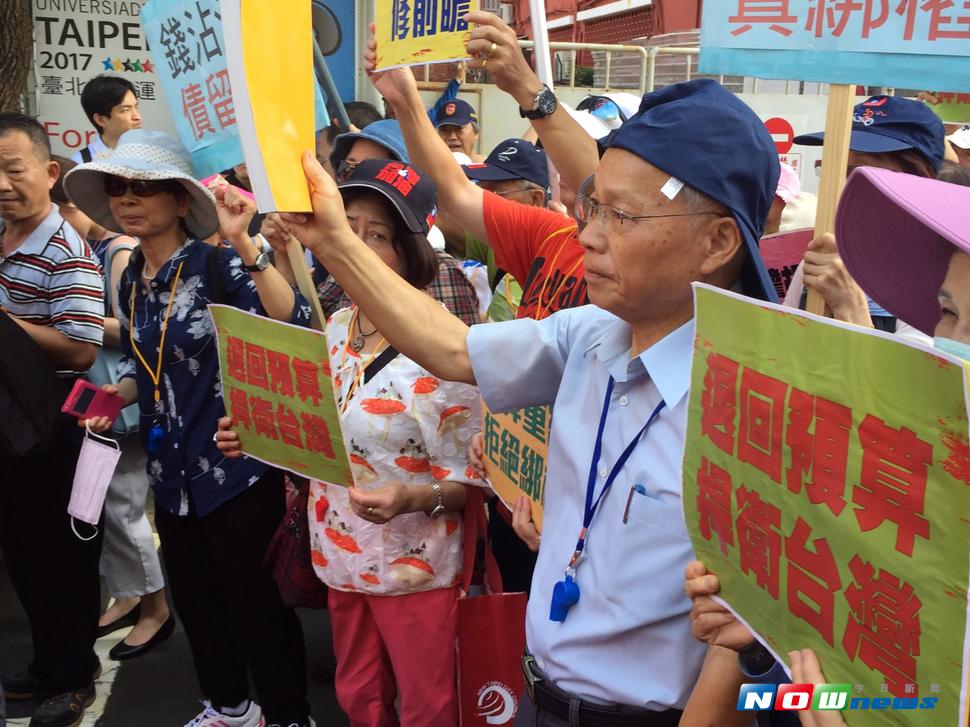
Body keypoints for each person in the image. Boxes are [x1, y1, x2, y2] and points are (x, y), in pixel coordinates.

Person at [275, 56, 782, 724]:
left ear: (718, 241)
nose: (589, 235)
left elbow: (740, 650)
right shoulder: (591, 333)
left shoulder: (755, 416)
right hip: (539, 694)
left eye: (622, 217)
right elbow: (452, 347)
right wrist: (337, 245)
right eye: (591, 206)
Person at [65, 129, 314, 727]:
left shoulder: (219, 264)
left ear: (180, 200)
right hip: (169, 472)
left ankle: (286, 715)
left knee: (255, 607)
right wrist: (115, 394)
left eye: (146, 188)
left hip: (235, 465)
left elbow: (293, 326)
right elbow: (142, 360)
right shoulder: (130, 280)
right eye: (119, 188)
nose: (129, 199)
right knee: (199, 606)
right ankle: (229, 707)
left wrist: (248, 247)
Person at [221, 158, 483, 726]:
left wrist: (412, 499)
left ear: (411, 250)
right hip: (338, 556)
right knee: (358, 693)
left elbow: (473, 484)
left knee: (426, 704)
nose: (353, 246)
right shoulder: (337, 323)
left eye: (377, 236)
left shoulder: (447, 348)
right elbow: (319, 433)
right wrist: (260, 433)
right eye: (347, 228)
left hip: (415, 570)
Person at [0, 113, 105, 727]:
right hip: (8, 424)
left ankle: (72, 677)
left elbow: (84, 347)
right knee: (21, 552)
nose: (4, 185)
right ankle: (45, 663)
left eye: (14, 171)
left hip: (59, 427)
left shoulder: (68, 252)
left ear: (48, 172)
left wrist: (6, 328)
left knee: (63, 558)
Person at [51, 157, 174, 659]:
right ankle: (129, 595)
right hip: (104, 397)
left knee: (123, 508)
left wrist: (72, 320)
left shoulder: (117, 250)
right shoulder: (99, 247)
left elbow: (136, 334)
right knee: (104, 506)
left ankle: (156, 609)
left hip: (119, 397)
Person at [276, 119, 481, 326]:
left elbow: (460, 353)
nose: (356, 177)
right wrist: (283, 254)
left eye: (378, 236)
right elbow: (307, 325)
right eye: (349, 167)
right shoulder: (340, 251)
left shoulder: (441, 275)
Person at [785, 95, 944, 331]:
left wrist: (851, 308)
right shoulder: (826, 254)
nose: (839, 186)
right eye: (831, 168)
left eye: (858, 171)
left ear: (921, 177)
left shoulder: (944, 274)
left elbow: (918, 368)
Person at [71, 74, 141, 164]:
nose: (137, 117)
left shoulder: (151, 154)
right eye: (126, 110)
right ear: (100, 120)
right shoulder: (80, 164)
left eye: (136, 107)